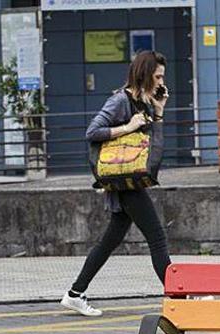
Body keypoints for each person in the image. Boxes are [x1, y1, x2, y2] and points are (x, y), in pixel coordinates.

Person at [61, 51, 170, 317]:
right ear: (144, 74)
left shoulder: (142, 102)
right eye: (157, 76)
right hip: (124, 184)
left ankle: (75, 293)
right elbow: (92, 131)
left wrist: (158, 111)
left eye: (162, 77)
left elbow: (152, 145)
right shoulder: (120, 101)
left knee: (110, 240)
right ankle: (180, 294)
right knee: (157, 238)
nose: (160, 82)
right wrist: (128, 127)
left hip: (131, 179)